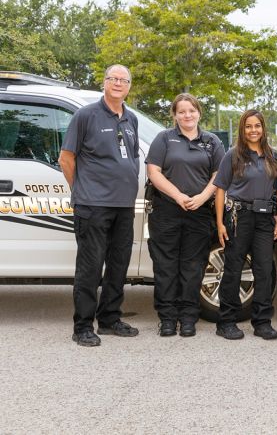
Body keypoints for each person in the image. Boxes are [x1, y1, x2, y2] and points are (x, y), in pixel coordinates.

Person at [59, 64, 140, 347]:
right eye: (113, 78)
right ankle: (82, 325)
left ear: (129, 86)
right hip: (92, 205)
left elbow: (130, 158)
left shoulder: (131, 119)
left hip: (123, 206)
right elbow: (66, 158)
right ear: (104, 83)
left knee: (118, 265)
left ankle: (109, 319)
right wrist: (81, 190)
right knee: (90, 267)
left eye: (124, 80)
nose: (118, 83)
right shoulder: (85, 116)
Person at [146, 94, 224, 337]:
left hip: (199, 211)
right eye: (181, 111)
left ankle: (189, 317)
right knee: (165, 266)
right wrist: (178, 195)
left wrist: (202, 197)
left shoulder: (212, 142)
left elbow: (219, 175)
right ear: (175, 115)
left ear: (199, 113)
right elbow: (154, 172)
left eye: (191, 110)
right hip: (167, 210)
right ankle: (167, 318)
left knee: (193, 266)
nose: (187, 115)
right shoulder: (164, 139)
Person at [213, 110, 277, 341]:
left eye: (257, 126)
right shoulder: (232, 155)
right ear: (242, 129)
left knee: (264, 270)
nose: (253, 130)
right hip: (237, 217)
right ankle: (226, 321)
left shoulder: (273, 155)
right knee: (233, 269)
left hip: (265, 219)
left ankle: (262, 322)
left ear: (263, 128)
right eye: (248, 126)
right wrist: (220, 223)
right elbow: (220, 189)